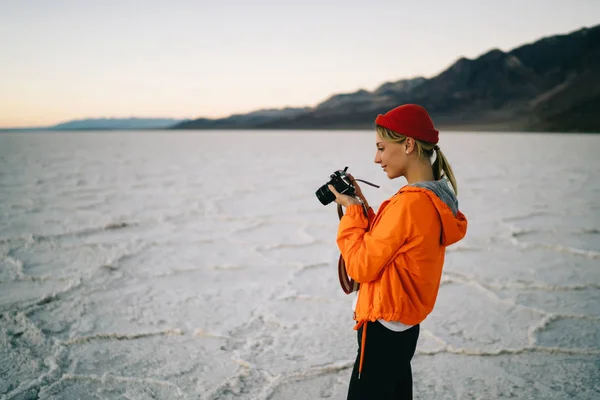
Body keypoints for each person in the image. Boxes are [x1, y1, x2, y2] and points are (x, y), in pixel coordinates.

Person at [328, 104, 468, 399]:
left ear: (407, 144)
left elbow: (361, 267)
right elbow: (390, 248)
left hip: (381, 328)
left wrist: (352, 212)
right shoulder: (434, 199)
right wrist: (363, 206)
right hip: (404, 327)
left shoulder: (409, 204)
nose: (376, 158)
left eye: (381, 147)